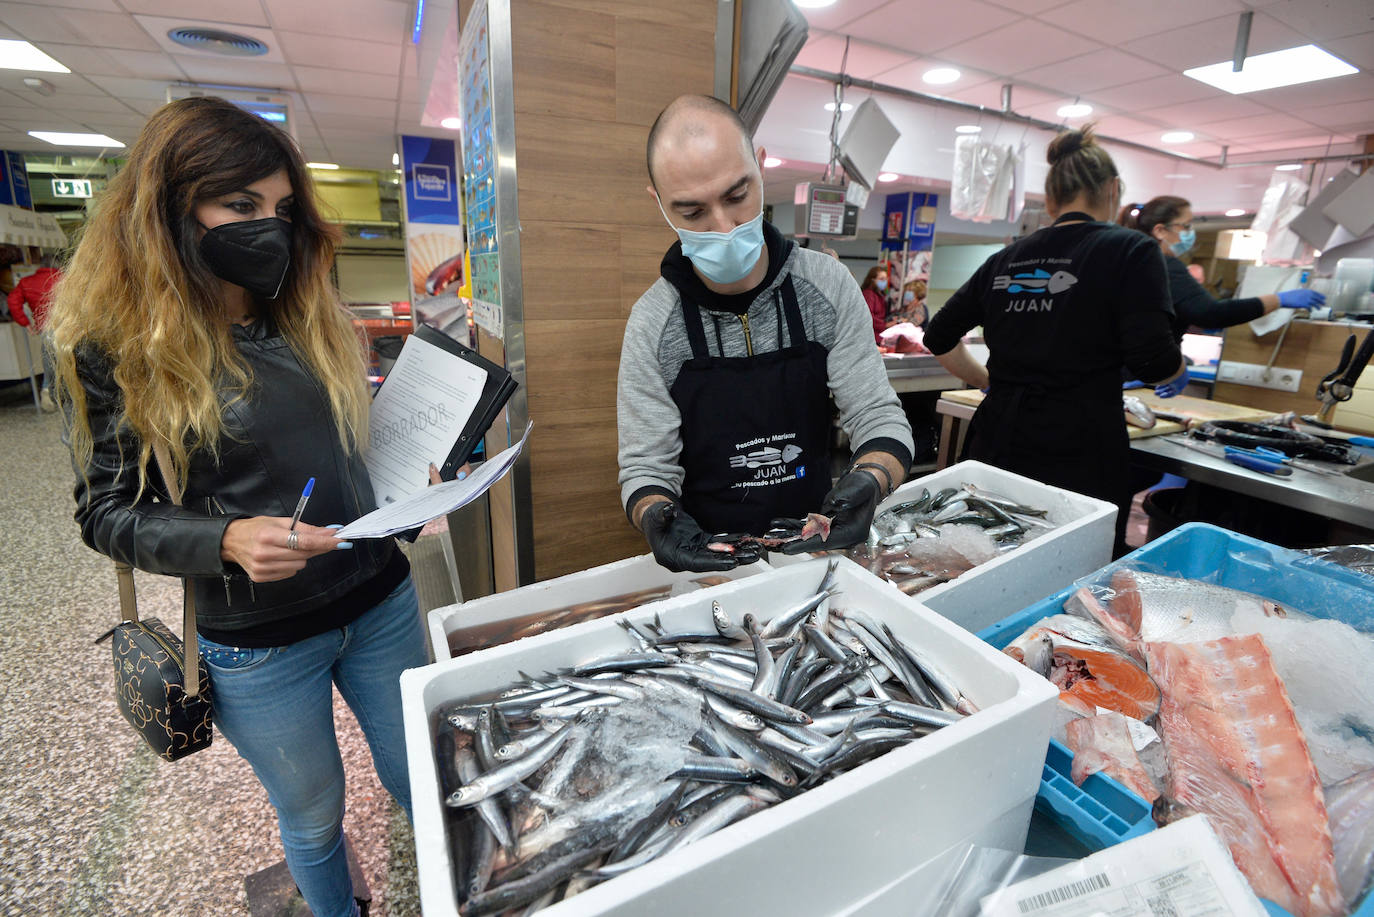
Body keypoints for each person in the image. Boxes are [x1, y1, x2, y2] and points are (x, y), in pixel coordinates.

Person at [48, 97, 426, 917]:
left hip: (381, 597)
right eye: (243, 206)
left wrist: (409, 485)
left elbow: (342, 453)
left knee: (422, 776)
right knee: (315, 812)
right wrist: (224, 537)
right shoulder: (116, 345)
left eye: (285, 209)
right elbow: (105, 510)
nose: (271, 229)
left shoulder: (304, 314)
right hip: (258, 640)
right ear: (174, 212)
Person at [618, 94, 913, 573]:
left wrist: (874, 477)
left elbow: (877, 415)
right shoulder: (654, 323)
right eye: (692, 212)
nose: (725, 226)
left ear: (760, 166)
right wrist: (656, 516)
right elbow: (645, 468)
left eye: (737, 196)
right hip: (711, 560)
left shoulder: (827, 287)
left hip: (815, 542)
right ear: (661, 206)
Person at [924, 126, 1186, 558]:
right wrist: (1178, 369)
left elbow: (938, 335)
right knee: (1071, 564)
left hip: (997, 435)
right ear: (1113, 189)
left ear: (1049, 200)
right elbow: (1154, 360)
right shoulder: (1130, 249)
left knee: (983, 554)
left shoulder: (1006, 258)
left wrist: (988, 381)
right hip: (1079, 442)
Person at [1121, 195, 1325, 397]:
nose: (1191, 233)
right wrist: (1279, 299)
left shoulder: (1129, 262)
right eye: (1186, 226)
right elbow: (1211, 313)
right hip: (1135, 375)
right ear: (1160, 231)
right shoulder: (1165, 266)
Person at [8, 253, 61, 411]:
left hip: (45, 328)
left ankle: (47, 391)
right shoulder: (65, 278)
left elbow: (12, 300)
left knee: (50, 360)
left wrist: (25, 323)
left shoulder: (26, 282)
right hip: (68, 326)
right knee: (69, 361)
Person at [859, 265, 889, 344]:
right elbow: (868, 317)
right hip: (871, 337)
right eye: (882, 279)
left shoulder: (880, 295)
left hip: (878, 336)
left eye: (886, 279)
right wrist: (886, 325)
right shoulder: (868, 295)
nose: (885, 281)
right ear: (872, 280)